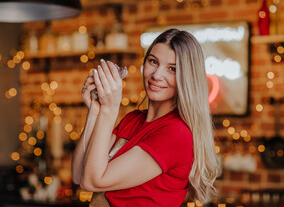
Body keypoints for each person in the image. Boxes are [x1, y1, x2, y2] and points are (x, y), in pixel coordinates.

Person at [72, 29, 222, 206]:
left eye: (172, 69)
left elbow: (92, 182)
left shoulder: (177, 133)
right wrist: (95, 111)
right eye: (153, 61)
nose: (157, 75)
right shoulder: (133, 119)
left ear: (187, 77)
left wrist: (109, 109)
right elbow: (78, 174)